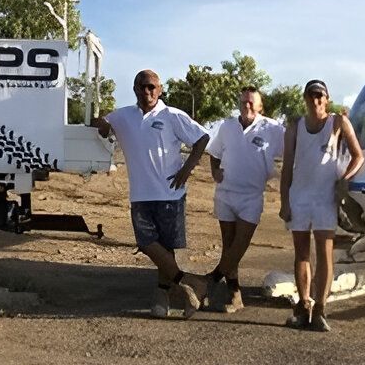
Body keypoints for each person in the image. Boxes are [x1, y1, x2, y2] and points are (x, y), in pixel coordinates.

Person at [93, 69, 210, 318]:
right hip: (140, 195)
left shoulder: (172, 115)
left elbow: (202, 138)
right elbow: (104, 127)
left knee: (166, 250)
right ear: (135, 89)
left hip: (170, 194)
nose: (147, 91)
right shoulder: (123, 116)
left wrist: (187, 168)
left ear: (160, 89)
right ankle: (191, 283)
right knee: (146, 244)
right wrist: (99, 124)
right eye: (142, 86)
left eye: (152, 87)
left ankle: (162, 296)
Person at [278, 79, 364, 331]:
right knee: (301, 252)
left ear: (326, 99)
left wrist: (345, 181)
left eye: (320, 96)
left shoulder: (337, 122)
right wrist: (284, 201)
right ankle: (303, 304)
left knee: (324, 251)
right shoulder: (295, 127)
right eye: (311, 95)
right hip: (300, 196)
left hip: (325, 197)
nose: (316, 100)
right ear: (305, 99)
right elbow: (287, 167)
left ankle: (321, 307)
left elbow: (358, 156)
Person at [204, 86, 285, 312]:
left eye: (251, 102)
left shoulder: (273, 129)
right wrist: (214, 171)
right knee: (228, 247)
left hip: (251, 197)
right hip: (225, 194)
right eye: (243, 102)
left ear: (260, 106)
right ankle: (234, 295)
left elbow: (294, 149)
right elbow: (214, 152)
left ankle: (209, 280)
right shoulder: (228, 126)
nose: (247, 106)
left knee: (239, 246)